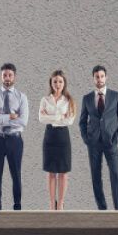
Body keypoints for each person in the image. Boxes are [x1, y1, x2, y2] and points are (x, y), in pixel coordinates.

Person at [79, 65, 118, 210]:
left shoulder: (116, 95)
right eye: (97, 77)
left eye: (102, 76)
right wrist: (86, 138)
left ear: (106, 77)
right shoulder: (87, 98)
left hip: (111, 141)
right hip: (93, 143)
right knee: (96, 176)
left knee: (116, 174)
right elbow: (82, 121)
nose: (99, 79)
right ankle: (102, 209)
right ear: (93, 79)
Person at [0, 63, 29, 210]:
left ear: (14, 77)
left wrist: (0, 115)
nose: (7, 78)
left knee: (16, 175)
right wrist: (11, 116)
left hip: (15, 140)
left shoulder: (22, 97)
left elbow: (23, 121)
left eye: (10, 75)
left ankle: (17, 207)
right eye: (4, 75)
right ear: (1, 76)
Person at [37, 70, 78, 210]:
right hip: (49, 136)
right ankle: (51, 203)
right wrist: (60, 116)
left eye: (60, 81)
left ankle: (60, 203)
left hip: (63, 137)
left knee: (63, 172)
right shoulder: (45, 100)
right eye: (55, 81)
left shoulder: (69, 100)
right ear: (51, 83)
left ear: (64, 83)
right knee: (50, 172)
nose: (58, 84)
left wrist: (51, 116)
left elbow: (70, 120)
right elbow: (41, 118)